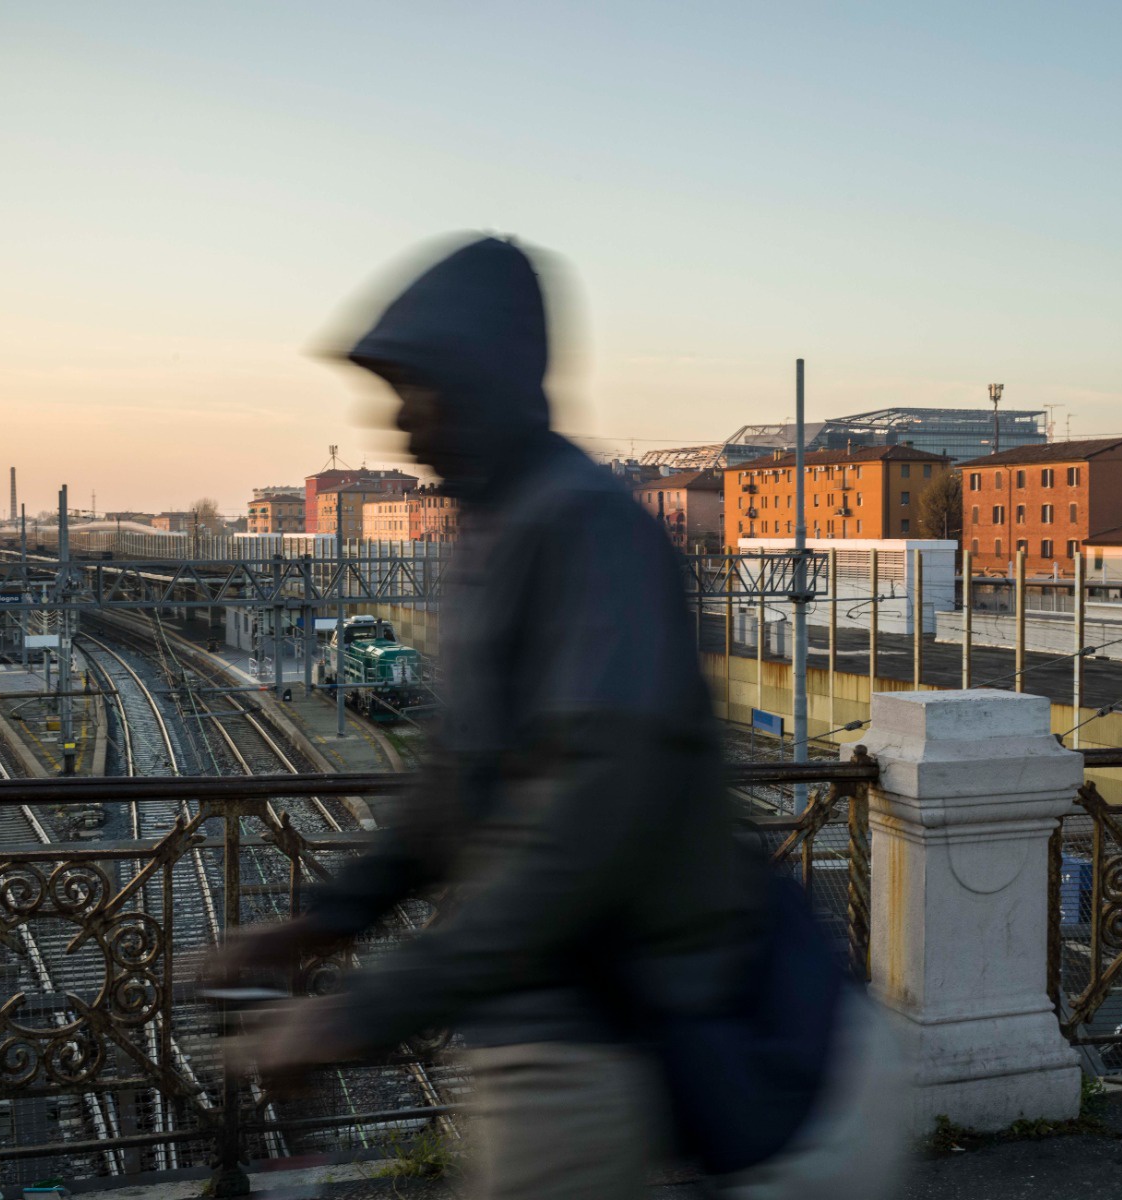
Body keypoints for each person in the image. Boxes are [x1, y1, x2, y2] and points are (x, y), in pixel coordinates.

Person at [213, 236, 902, 1199]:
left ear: (483, 381)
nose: (400, 423)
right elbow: (459, 780)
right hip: (549, 1009)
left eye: (419, 390)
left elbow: (586, 813)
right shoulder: (498, 530)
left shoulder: (581, 524)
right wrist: (323, 921)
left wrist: (356, 1013)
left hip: (599, 1013)